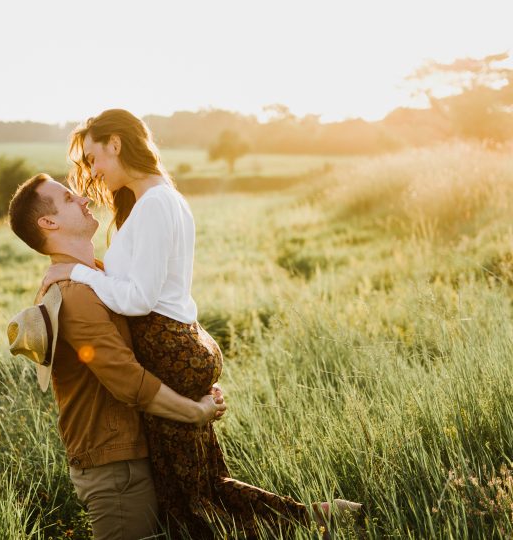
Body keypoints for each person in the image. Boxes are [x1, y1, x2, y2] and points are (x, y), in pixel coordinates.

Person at [40, 109, 363, 538]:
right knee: (207, 486)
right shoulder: (153, 199)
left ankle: (317, 520)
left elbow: (138, 300)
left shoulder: (155, 202)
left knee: (188, 504)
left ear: (116, 143)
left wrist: (76, 273)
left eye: (95, 156)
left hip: (169, 349)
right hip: (177, 347)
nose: (93, 169)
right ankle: (321, 516)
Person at [7, 173, 227, 540]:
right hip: (115, 468)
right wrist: (195, 412)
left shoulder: (98, 276)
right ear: (49, 223)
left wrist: (194, 383)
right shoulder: (74, 294)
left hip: (135, 452)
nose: (83, 199)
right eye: (68, 197)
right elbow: (127, 380)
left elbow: (148, 343)